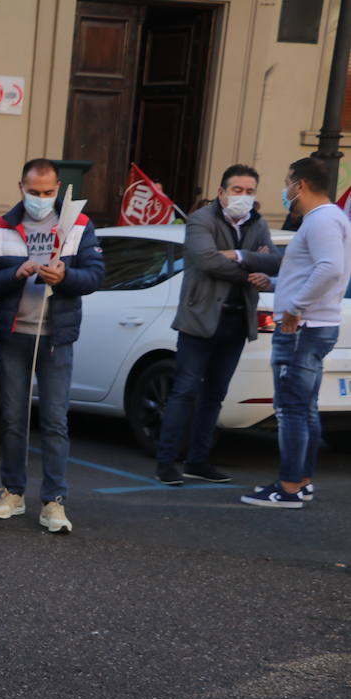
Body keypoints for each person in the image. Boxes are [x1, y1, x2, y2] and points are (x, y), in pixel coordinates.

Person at [0, 158, 105, 534]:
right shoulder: (1, 227)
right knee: (14, 419)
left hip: (56, 338)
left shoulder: (78, 225)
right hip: (15, 335)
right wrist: (15, 273)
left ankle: (53, 500)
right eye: (34, 192)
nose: (41, 199)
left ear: (59, 189)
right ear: (21, 187)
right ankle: (13, 492)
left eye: (48, 193)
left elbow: (95, 275)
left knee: (55, 421)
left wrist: (66, 276)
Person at [154, 165, 282, 486]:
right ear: (222, 193)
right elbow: (207, 260)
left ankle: (198, 460)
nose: (244, 196)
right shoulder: (201, 220)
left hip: (237, 320)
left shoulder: (259, 223)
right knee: (184, 391)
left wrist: (239, 254)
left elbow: (276, 260)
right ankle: (166, 461)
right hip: (201, 320)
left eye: (250, 191)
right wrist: (252, 264)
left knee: (215, 395)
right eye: (237, 190)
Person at [241, 158, 351, 508]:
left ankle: (288, 486)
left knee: (290, 408)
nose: (285, 190)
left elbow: (330, 269)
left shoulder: (321, 220)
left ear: (300, 185)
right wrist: (276, 283)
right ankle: (300, 481)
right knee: (304, 407)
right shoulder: (330, 219)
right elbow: (315, 270)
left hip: (303, 328)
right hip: (313, 325)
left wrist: (295, 307)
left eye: (287, 182)